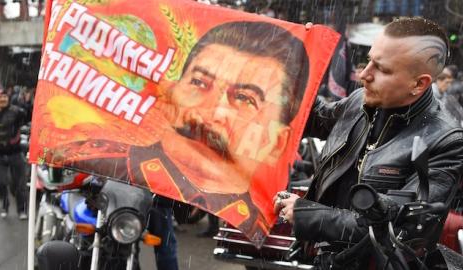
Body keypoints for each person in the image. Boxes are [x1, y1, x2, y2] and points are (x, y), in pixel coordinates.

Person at [48, 21, 310, 244]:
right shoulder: (95, 154)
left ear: (277, 142)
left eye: (244, 98)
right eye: (199, 82)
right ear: (170, 95)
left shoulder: (266, 227)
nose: (209, 113)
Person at [274, 17, 463, 268]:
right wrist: (294, 58)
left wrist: (306, 214)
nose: (364, 74)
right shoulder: (360, 100)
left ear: (419, 84)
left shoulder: (446, 141)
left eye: (382, 69)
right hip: (321, 259)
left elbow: (397, 231)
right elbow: (312, 118)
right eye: (369, 60)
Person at [0, 87, 28, 219]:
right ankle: (5, 206)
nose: (2, 99)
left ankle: (22, 210)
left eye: (4, 96)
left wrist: (27, 102)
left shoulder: (17, 112)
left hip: (15, 153)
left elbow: (29, 117)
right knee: (0, 183)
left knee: (20, 185)